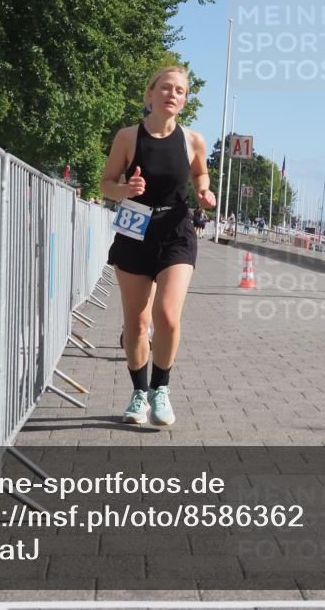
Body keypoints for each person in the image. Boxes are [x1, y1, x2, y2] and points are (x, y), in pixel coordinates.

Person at [100, 66, 215, 427]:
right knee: (136, 322)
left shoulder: (193, 140)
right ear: (150, 94)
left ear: (184, 100)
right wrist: (124, 191)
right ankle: (138, 394)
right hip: (136, 229)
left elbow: (200, 171)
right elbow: (106, 183)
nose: (172, 94)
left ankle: (160, 390)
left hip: (176, 230)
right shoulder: (128, 137)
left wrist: (203, 190)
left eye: (179, 90)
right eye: (165, 88)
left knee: (167, 316)